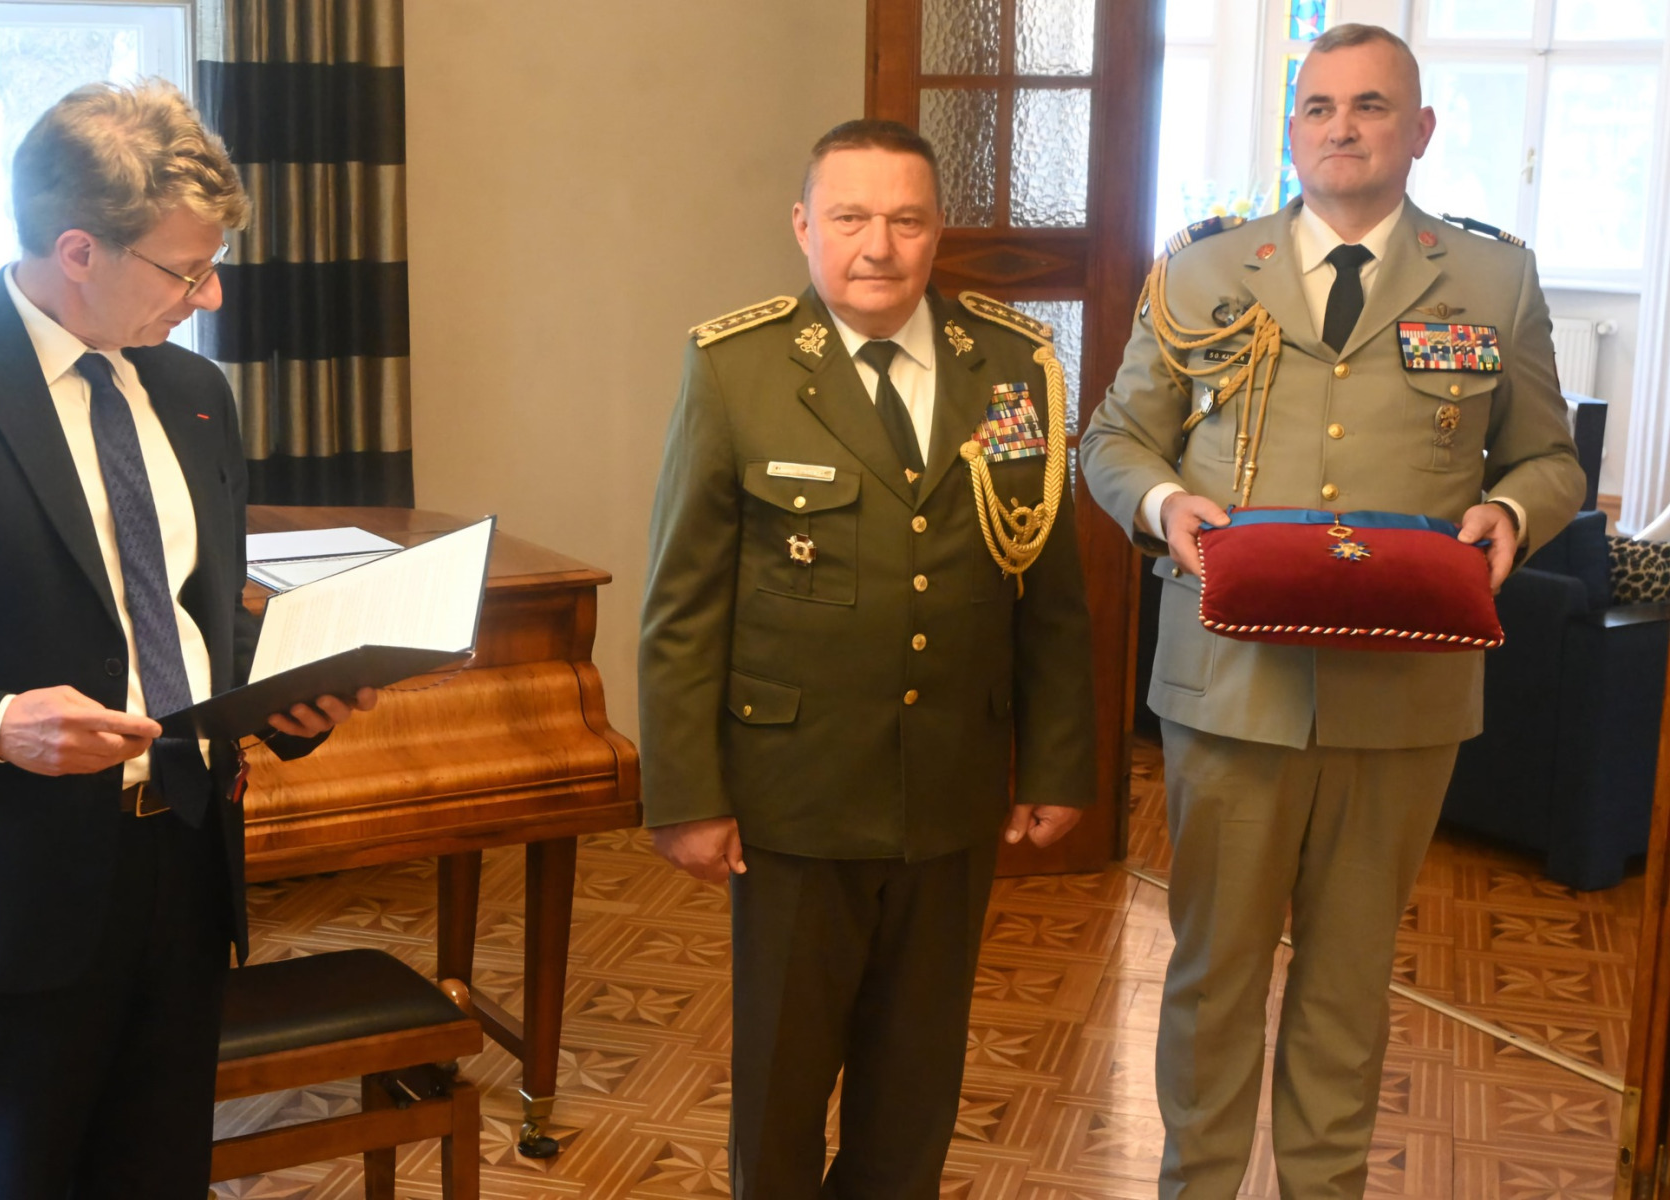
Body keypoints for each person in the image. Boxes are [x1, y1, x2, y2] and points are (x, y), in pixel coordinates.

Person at [1079, 24, 1584, 1200]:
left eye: (1370, 106)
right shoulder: (1203, 269)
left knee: (1351, 982)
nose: (1341, 128)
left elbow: (1550, 459)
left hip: (1403, 696)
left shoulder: (1495, 280)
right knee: (1211, 976)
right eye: (1318, 107)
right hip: (1230, 683)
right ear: (1292, 128)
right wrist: (1164, 505)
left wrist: (1512, 513)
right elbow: (1113, 439)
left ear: (1421, 131)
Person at [0, 80, 376, 1199]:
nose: (209, 296)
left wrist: (287, 695)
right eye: (184, 270)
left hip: (186, 863)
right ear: (79, 250)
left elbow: (191, 616)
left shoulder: (195, 390)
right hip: (11, 886)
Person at [638, 119, 1097, 1198]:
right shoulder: (738, 368)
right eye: (850, 217)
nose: (878, 247)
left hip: (951, 785)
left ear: (938, 233)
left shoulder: (1013, 365)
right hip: (794, 793)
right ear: (804, 226)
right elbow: (682, 605)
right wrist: (686, 796)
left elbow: (1050, 587)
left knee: (916, 1082)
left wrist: (1058, 762)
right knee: (783, 1084)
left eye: (906, 220)